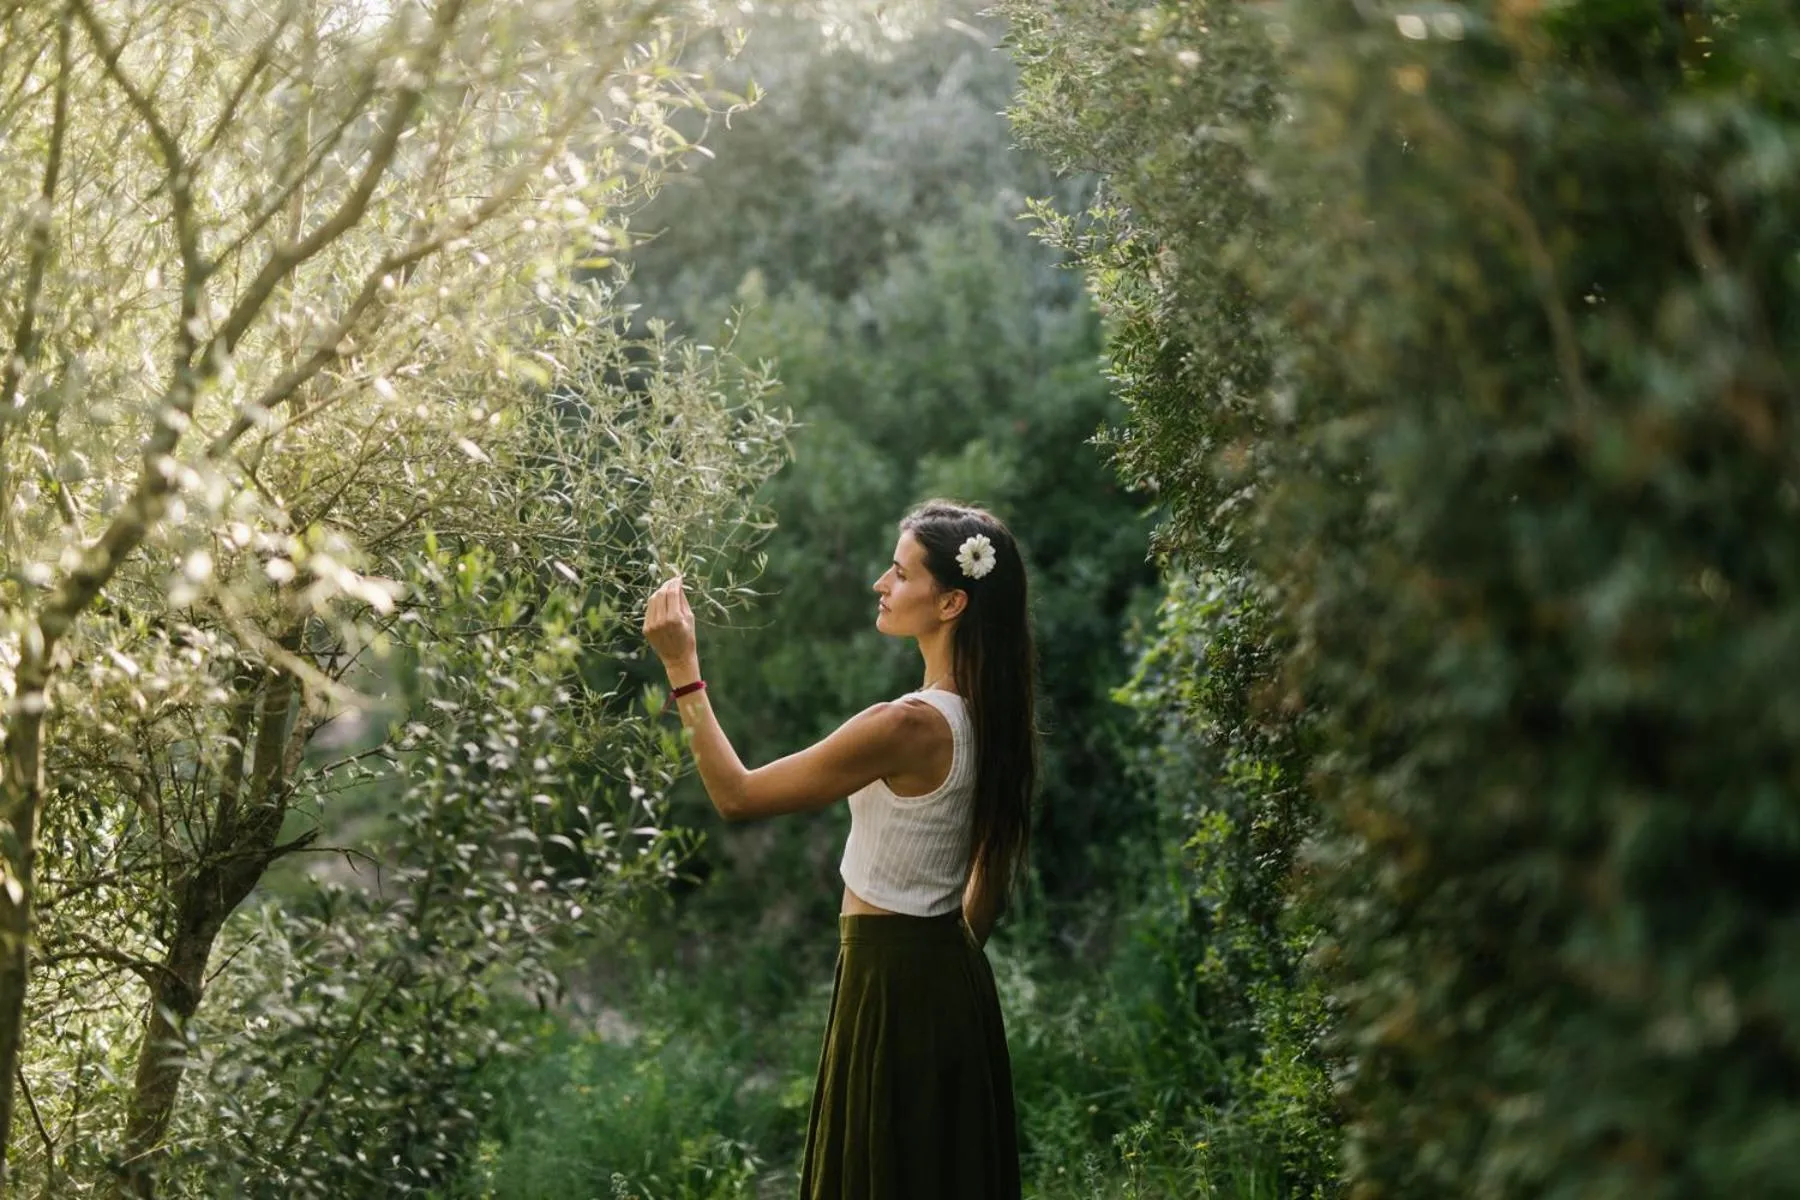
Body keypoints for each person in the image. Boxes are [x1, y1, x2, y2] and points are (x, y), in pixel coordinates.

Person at [641, 499, 1036, 1200]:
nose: (881, 585)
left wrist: (682, 667)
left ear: (950, 601)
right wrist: (945, 964)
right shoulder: (990, 713)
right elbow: (991, 882)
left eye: (899, 572)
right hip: (946, 982)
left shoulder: (906, 726)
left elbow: (738, 796)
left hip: (892, 983)